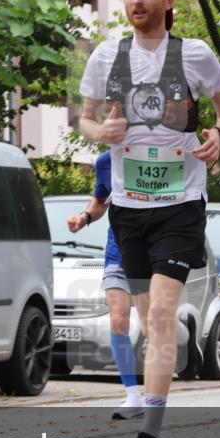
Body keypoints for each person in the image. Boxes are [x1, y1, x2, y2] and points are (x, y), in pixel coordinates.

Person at [78, 0, 220, 438]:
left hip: (180, 207)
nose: (137, 2)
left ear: (168, 1)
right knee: (150, 323)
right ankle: (169, 359)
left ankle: (148, 437)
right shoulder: (107, 56)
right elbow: (85, 120)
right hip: (129, 212)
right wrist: (99, 132)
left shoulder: (194, 54)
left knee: (162, 315)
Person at [67, 150, 143, 420]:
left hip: (153, 252)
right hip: (118, 251)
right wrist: (84, 217)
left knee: (157, 320)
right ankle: (133, 395)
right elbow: (100, 201)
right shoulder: (104, 162)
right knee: (118, 318)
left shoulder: (157, 153)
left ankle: (159, 392)